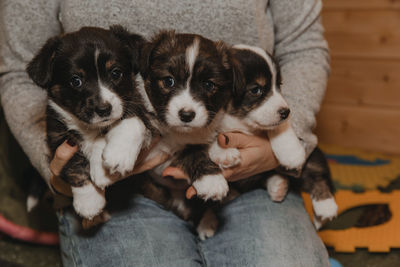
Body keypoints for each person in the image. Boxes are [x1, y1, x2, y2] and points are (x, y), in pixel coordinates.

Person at [0, 0, 330, 266]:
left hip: (247, 168)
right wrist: (62, 172)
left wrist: (282, 137)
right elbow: (18, 70)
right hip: (118, 190)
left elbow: (304, 46)